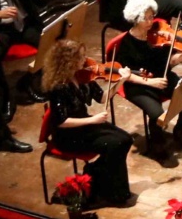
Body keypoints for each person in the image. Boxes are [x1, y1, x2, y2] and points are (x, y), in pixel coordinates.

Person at [39, 36, 132, 207]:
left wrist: (122, 80)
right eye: (80, 57)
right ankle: (99, 186)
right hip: (68, 136)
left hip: (86, 125)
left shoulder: (83, 77)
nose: (85, 60)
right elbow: (61, 121)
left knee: (125, 139)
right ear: (68, 61)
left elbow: (104, 97)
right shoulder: (58, 87)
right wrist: (93, 120)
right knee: (113, 145)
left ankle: (106, 185)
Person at [110, 0, 182, 161]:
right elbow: (125, 75)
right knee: (157, 113)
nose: (152, 21)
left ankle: (179, 131)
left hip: (162, 77)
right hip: (138, 85)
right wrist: (151, 82)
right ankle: (156, 143)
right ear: (136, 19)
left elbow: (170, 62)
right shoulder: (126, 45)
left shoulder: (158, 35)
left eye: (152, 16)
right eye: (147, 18)